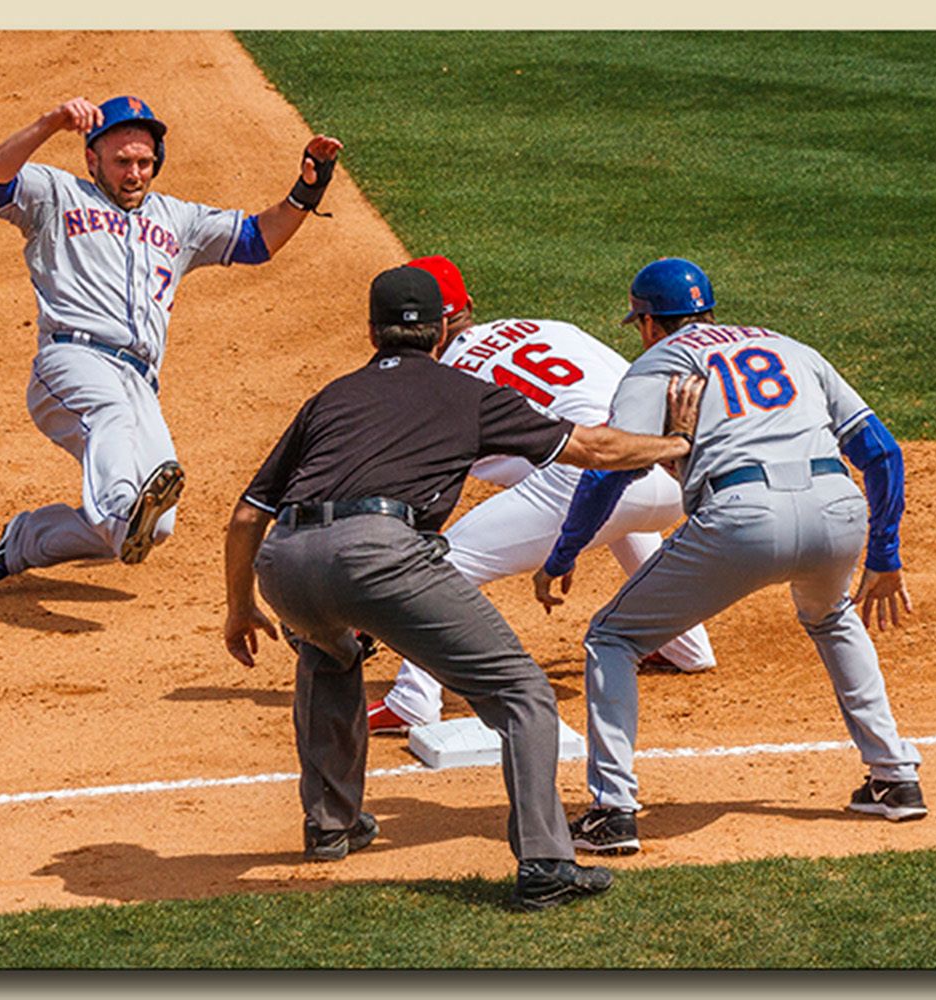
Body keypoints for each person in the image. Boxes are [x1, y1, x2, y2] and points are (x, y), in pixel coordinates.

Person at [222, 264, 704, 911]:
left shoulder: (330, 398)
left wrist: (239, 607)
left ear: (372, 332)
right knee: (523, 693)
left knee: (328, 652)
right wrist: (679, 439)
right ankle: (545, 865)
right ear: (446, 327)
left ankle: (331, 825)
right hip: (380, 552)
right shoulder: (465, 391)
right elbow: (590, 448)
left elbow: (250, 513)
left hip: (285, 563)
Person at [533, 257, 925, 857]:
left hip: (742, 517)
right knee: (831, 616)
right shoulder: (792, 347)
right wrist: (886, 551)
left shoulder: (660, 362)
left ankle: (613, 811)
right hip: (838, 510)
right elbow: (880, 451)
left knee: (611, 637)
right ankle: (895, 777)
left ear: (647, 322)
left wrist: (564, 552)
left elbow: (613, 465)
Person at [0, 95, 343, 597]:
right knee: (112, 440)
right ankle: (118, 508)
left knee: (154, 526)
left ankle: (23, 545)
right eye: (121, 162)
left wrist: (305, 192)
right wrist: (51, 122)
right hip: (72, 360)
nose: (134, 173)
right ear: (92, 159)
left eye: (144, 162)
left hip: (139, 380)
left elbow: (255, 241)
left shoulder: (176, 219)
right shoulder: (57, 194)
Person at [365, 255, 717, 736]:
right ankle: (683, 641)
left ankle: (412, 700)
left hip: (588, 477)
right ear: (466, 306)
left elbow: (421, 488)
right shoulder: (549, 327)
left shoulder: (434, 383)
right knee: (621, 505)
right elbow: (637, 384)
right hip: (670, 468)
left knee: (435, 567)